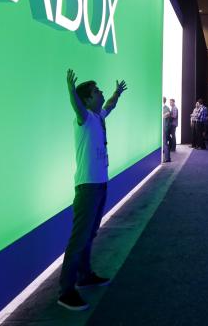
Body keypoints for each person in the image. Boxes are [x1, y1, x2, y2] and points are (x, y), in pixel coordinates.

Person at [58, 69, 127, 311]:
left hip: (100, 184)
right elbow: (76, 106)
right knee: (78, 239)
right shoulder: (85, 117)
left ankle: (84, 276)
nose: (101, 93)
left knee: (90, 234)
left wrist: (117, 93)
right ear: (87, 99)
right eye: (96, 91)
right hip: (87, 186)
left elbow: (110, 105)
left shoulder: (99, 117)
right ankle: (66, 291)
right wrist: (70, 90)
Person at [162, 96, 171, 163]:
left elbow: (167, 114)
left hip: (165, 128)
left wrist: (163, 115)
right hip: (162, 127)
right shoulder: (162, 108)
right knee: (164, 143)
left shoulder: (166, 108)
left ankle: (167, 158)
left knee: (165, 143)